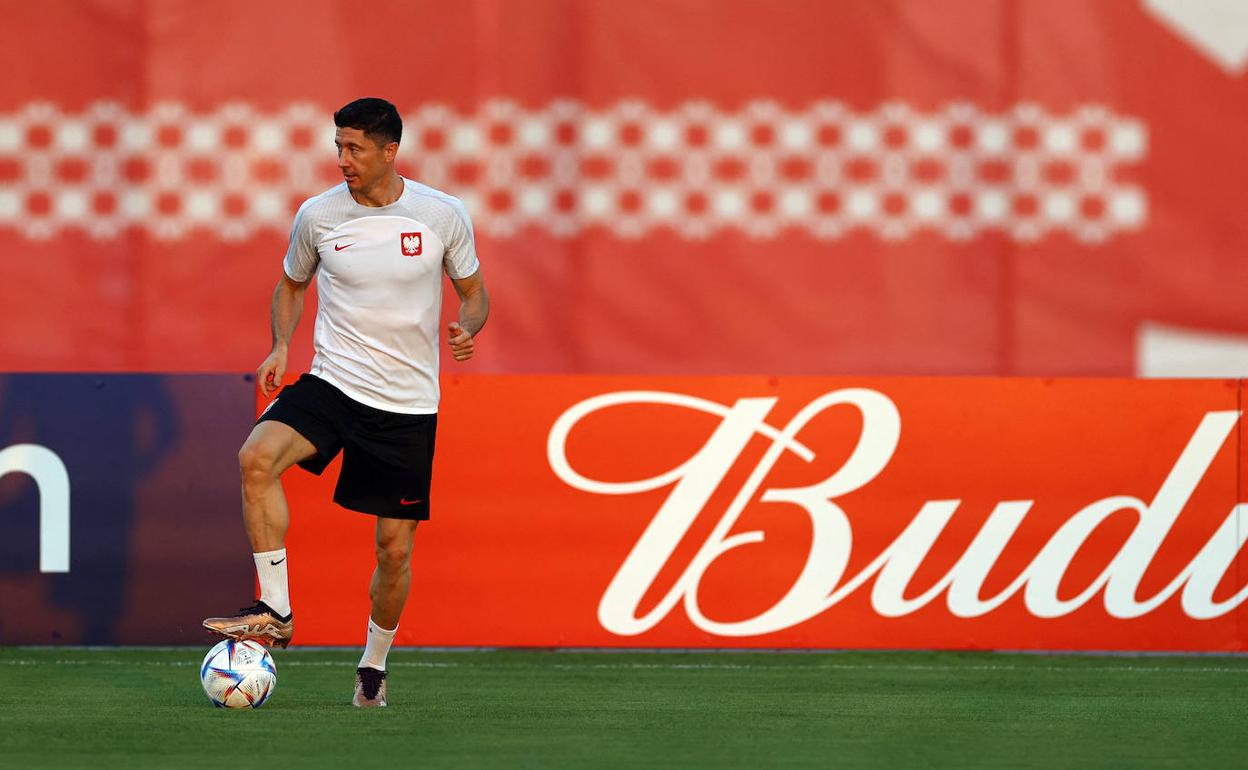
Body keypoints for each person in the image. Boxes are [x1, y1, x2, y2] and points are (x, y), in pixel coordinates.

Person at [202, 97, 488, 708]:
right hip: (334, 383)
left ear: (390, 151)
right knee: (255, 458)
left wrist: (469, 326)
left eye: (355, 148)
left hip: (408, 404)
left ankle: (373, 667)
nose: (343, 160)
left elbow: (474, 293)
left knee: (393, 550)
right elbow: (290, 285)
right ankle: (275, 609)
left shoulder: (442, 214)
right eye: (338, 147)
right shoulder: (318, 216)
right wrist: (281, 343)